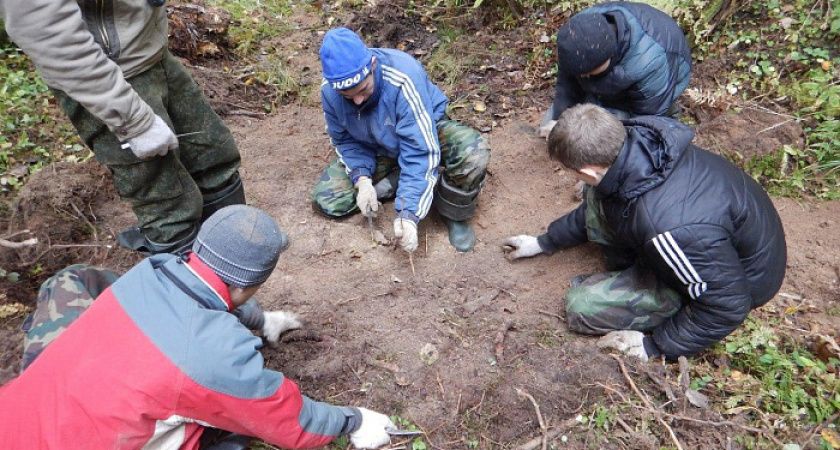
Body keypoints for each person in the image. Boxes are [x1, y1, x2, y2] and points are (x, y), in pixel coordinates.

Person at [0, 205, 396, 449]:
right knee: (232, 431)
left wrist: (260, 320)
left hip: (18, 420)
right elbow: (291, 422)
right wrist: (355, 421)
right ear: (252, 283)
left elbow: (205, 295)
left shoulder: (151, 274)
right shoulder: (217, 359)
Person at [504, 104, 787, 361]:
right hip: (713, 242)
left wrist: (654, 346)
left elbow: (727, 305)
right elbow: (601, 203)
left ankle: (646, 287)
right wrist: (544, 242)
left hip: (738, 282)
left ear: (588, 171)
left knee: (582, 305)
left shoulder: (667, 228)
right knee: (596, 197)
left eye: (571, 172)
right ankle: (631, 268)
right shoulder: (641, 148)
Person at [0, 0, 246, 255]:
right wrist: (133, 121)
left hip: (148, 52)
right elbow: (46, 32)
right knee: (167, 206)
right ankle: (198, 289)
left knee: (215, 160)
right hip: (104, 77)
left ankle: (238, 260)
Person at [312, 27, 491, 253]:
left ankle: (452, 210)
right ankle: (398, 178)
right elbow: (345, 140)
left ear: (373, 65)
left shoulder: (403, 77)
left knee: (472, 152)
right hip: (377, 146)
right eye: (348, 96)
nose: (357, 101)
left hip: (426, 132)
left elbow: (419, 151)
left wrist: (409, 214)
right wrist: (362, 179)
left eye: (363, 90)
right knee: (327, 199)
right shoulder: (330, 90)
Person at [538, 1, 692, 137]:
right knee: (553, 127)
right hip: (616, 79)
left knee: (594, 139)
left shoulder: (650, 62)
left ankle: (670, 114)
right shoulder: (576, 36)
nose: (583, 76)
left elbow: (646, 123)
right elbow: (567, 86)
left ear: (609, 56)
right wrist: (559, 121)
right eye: (579, 73)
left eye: (588, 72)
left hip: (652, 92)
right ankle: (599, 104)